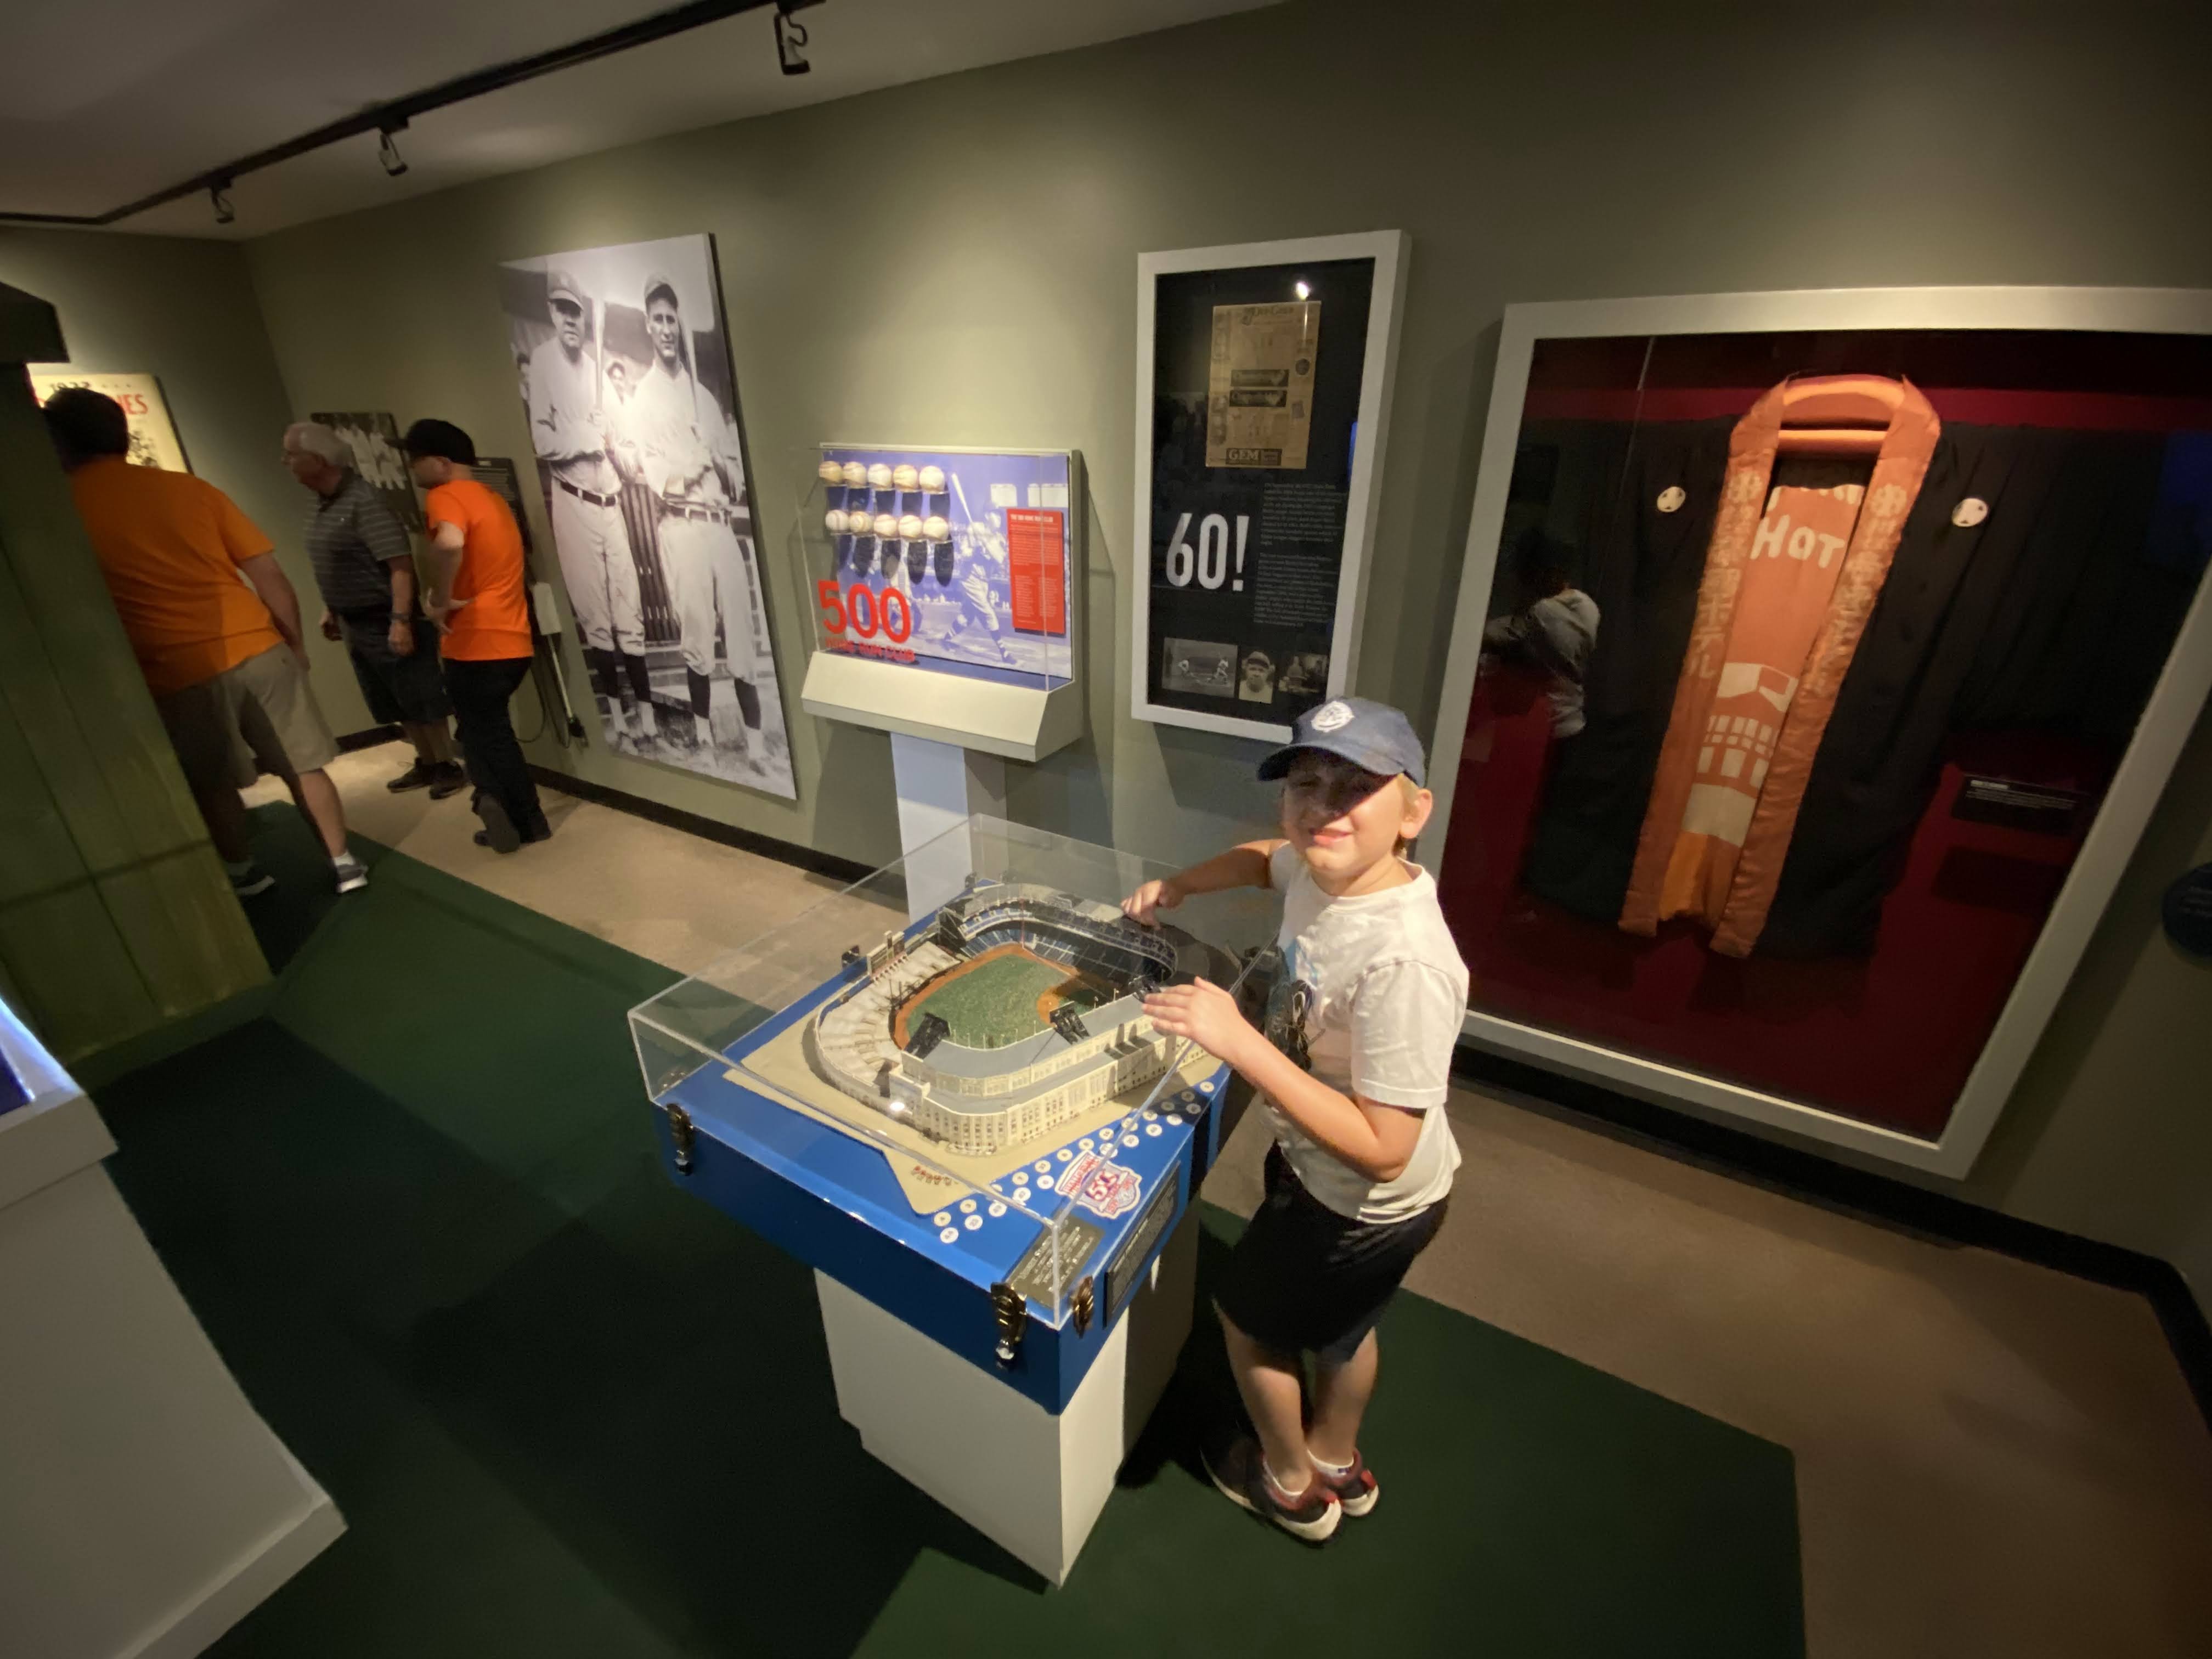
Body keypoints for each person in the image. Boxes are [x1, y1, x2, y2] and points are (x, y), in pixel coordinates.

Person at [1122, 696, 1466, 1543]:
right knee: (1346, 1331)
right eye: (1306, 784)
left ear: (1414, 812)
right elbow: (1263, 860)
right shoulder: (1324, 873)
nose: (1323, 808)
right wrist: (1183, 883)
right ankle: (1336, 1457)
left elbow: (1386, 1148)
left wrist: (1238, 1041)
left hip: (1355, 1204)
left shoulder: (1406, 960)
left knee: (1248, 1326)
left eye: (1356, 788)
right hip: (1370, 1195)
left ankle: (1290, 1483)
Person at [46, 388, 368, 896]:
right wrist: (294, 645)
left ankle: (243, 871)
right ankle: (343, 862)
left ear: (59, 442)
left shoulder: (61, 511)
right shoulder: (188, 489)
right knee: (303, 764)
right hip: (258, 646)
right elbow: (270, 577)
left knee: (212, 783)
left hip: (173, 666)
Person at [623, 271, 767, 778]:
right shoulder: (642, 399)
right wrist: (697, 459)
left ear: (679, 323)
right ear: (648, 325)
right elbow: (661, 482)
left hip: (719, 523)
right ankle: (705, 740)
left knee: (741, 632)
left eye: (672, 318)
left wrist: (717, 456)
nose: (666, 328)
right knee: (698, 633)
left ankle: (755, 747)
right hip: (681, 526)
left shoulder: (704, 396)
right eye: (658, 319)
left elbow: (736, 483)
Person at [281, 421, 464, 797]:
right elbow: (340, 562)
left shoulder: (364, 502)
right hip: (355, 620)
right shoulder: (325, 504)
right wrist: (332, 607)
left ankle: (447, 763)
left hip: (384, 615)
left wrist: (400, 621)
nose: (285, 462)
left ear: (318, 460)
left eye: (291, 455)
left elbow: (400, 566)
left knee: (419, 693)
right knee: (389, 698)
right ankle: (427, 760)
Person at [524, 267, 660, 755]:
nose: (570, 319)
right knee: (596, 615)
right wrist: (588, 435)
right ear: (551, 312)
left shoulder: (598, 372)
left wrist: (618, 446)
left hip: (611, 503)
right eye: (562, 309)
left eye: (576, 311)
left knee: (629, 609)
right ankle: (619, 720)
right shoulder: (543, 363)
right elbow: (542, 442)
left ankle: (647, 716)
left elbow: (625, 449)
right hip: (574, 503)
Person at [403, 417, 550, 854]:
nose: (412, 469)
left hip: (475, 641)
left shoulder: (446, 496)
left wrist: (439, 598)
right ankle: (497, 804)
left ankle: (520, 816)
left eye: (416, 460)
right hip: (513, 638)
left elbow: (449, 543)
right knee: (485, 731)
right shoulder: (493, 500)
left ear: (441, 462)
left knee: (486, 734)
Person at [1481, 538, 1600, 738]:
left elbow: (1495, 634)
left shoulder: (1543, 612)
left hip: (1551, 721)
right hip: (1574, 718)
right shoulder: (1588, 605)